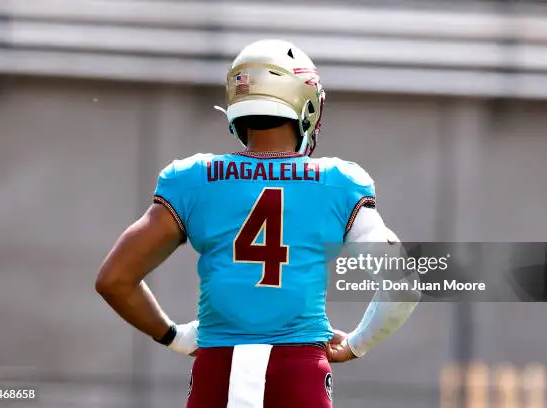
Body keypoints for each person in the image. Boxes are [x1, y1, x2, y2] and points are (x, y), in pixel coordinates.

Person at [95, 39, 420, 408]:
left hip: (217, 372)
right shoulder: (339, 182)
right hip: (299, 376)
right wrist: (357, 343)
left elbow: (114, 280)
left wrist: (174, 336)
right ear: (307, 103)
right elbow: (402, 282)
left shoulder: (192, 179)